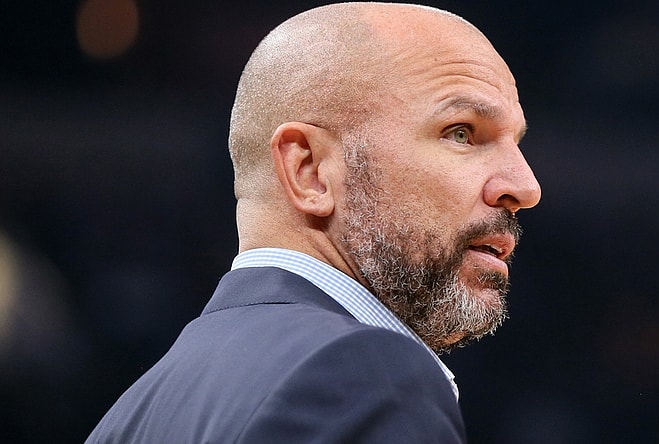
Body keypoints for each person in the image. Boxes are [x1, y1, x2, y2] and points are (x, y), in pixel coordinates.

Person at [87, 2, 541, 442]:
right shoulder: (364, 375)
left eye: (516, 143)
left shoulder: (131, 414)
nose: (526, 187)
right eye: (461, 133)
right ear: (309, 170)